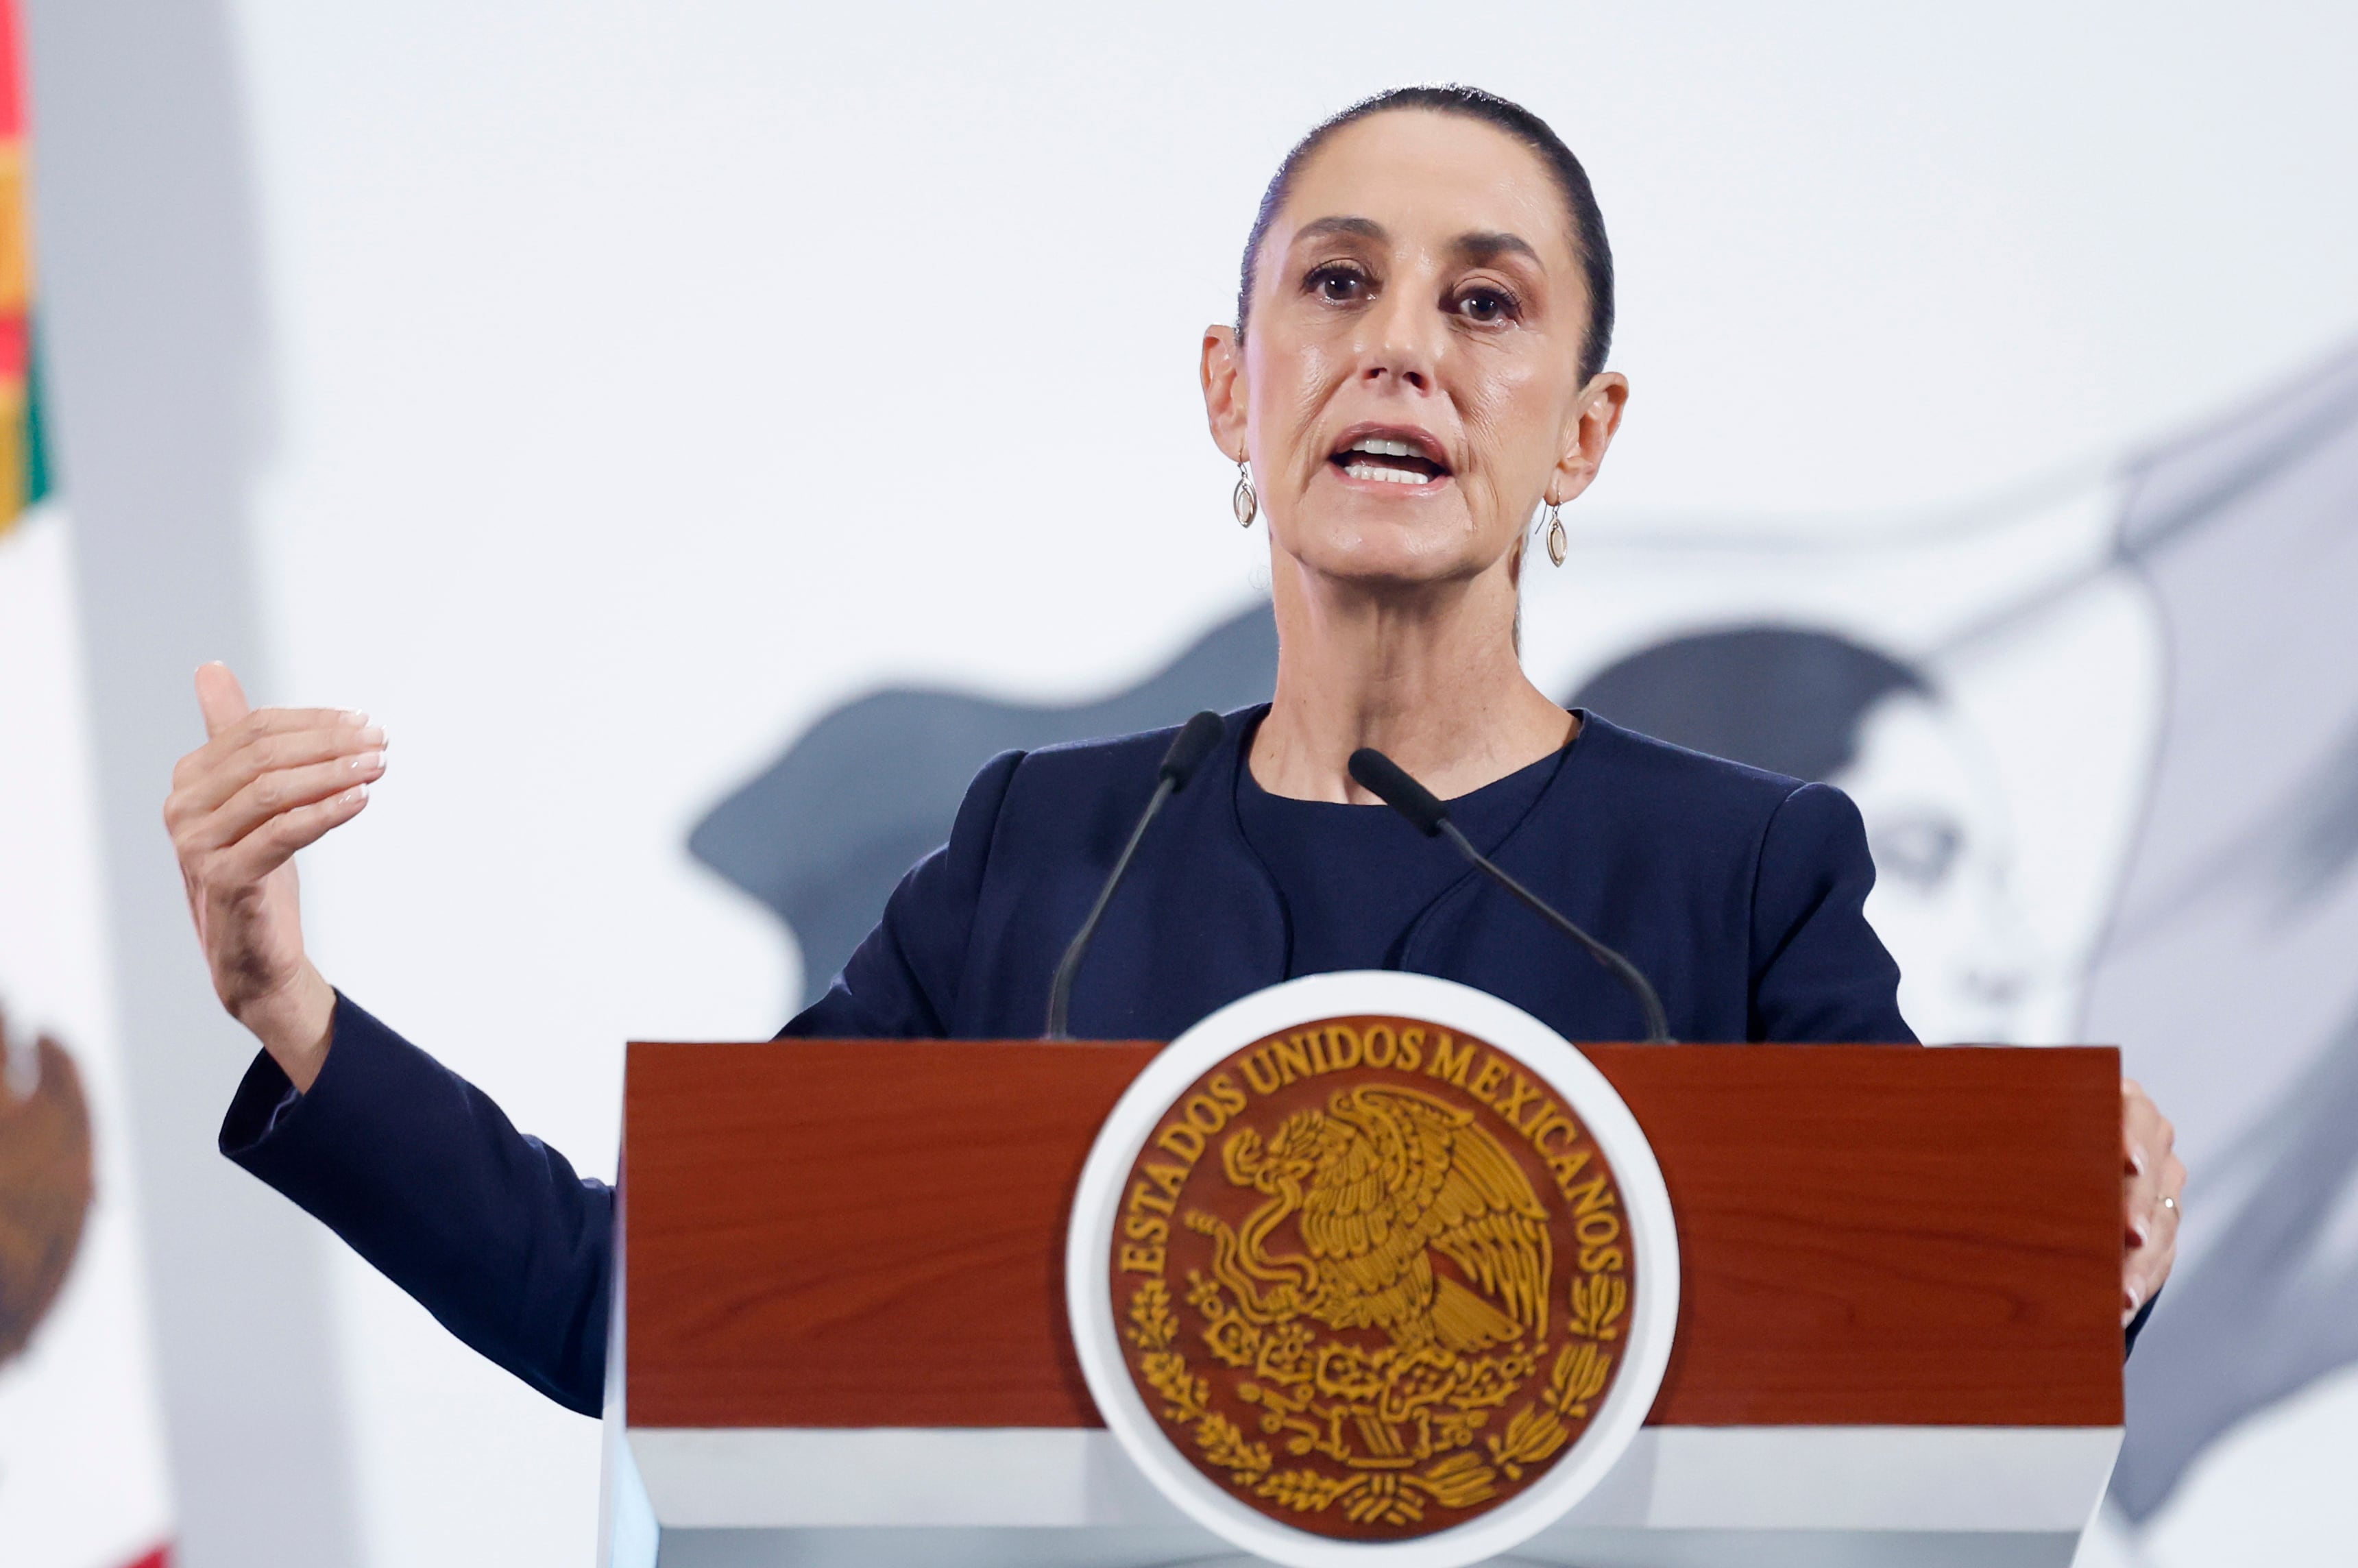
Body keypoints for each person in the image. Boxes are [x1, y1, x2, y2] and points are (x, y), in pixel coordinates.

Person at [162, 86, 2183, 1419]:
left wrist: (2087, 1259)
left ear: (1586, 432)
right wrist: (290, 1009)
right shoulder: (1036, 861)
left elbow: (1915, 1350)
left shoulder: (1744, 878)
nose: (1402, 345)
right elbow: (649, 1307)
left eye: (1486, 304)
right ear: (1234, 388)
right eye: (1339, 283)